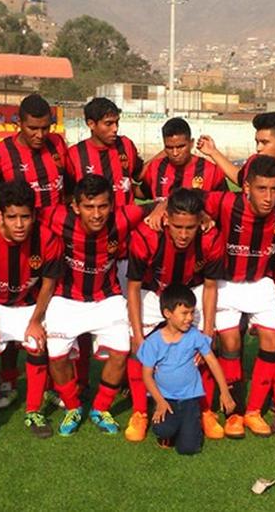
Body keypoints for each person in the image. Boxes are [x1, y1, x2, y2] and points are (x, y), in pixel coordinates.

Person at [41, 174, 157, 436]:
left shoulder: (123, 217)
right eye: (89, 207)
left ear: (112, 205)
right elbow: (23, 212)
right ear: (75, 206)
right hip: (66, 298)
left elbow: (158, 203)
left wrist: (161, 207)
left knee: (121, 350)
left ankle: (100, 408)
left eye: (103, 206)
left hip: (107, 296)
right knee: (56, 357)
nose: (96, 214)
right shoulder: (57, 217)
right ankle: (73, 406)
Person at [200, 154, 275, 438]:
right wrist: (161, 206)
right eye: (261, 189)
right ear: (246, 187)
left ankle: (254, 411)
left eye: (274, 189)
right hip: (226, 284)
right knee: (230, 341)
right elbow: (187, 199)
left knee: (273, 339)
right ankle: (234, 413)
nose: (269, 197)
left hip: (261, 283)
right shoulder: (225, 202)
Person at [125, 187, 224, 442]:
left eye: (189, 227)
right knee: (137, 347)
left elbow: (211, 287)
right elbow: (134, 288)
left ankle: (204, 409)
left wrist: (208, 332)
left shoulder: (211, 238)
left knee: (207, 345)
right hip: (152, 293)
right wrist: (137, 335)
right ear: (166, 218)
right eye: (177, 226)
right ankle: (140, 412)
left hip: (191, 291)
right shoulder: (146, 236)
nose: (183, 234)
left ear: (199, 221)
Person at [0, 180, 64, 439]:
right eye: (12, 217)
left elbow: (48, 284)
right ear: (1, 215)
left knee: (36, 342)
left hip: (29, 305)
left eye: (25, 217)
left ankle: (33, 410)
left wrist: (36, 320)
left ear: (34, 215)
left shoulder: (46, 237)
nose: (20, 224)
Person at [138, 284, 236, 455]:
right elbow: (146, 375)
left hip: (190, 399)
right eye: (184, 313)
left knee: (188, 449)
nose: (190, 318)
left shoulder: (194, 336)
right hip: (166, 399)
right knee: (164, 430)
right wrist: (160, 401)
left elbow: (212, 362)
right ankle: (169, 429)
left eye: (191, 313)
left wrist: (224, 391)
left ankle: (188, 425)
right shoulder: (153, 341)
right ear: (167, 313)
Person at [197, 112, 275, 216]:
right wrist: (213, 152)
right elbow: (240, 178)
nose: (258, 148)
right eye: (257, 142)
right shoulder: (253, 162)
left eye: (264, 142)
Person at [0, 94, 69, 211]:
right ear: (19, 122)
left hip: (56, 227)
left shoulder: (57, 142)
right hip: (20, 227)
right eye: (33, 128)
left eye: (45, 128)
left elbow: (69, 190)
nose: (40, 135)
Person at [65, 97, 146, 206]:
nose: (115, 128)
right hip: (95, 221)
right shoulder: (75, 154)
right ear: (91, 124)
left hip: (126, 220)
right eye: (109, 124)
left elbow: (139, 174)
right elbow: (67, 194)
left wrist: (165, 152)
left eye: (117, 122)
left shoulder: (125, 144)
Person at [140, 117, 227, 200]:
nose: (175, 153)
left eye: (180, 147)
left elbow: (225, 205)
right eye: (169, 148)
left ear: (191, 143)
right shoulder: (155, 167)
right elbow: (144, 192)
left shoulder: (212, 171)